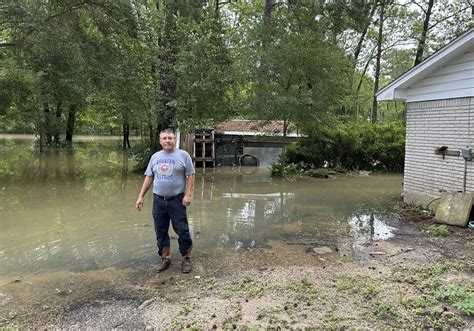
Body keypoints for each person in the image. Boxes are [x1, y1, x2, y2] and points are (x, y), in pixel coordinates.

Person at [135, 129, 195, 273]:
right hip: (158, 201)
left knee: (182, 230)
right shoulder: (155, 157)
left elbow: (191, 175)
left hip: (177, 201)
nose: (167, 140)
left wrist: (188, 195)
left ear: (174, 140)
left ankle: (186, 259)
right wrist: (140, 196)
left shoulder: (183, 155)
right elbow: (149, 177)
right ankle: (165, 258)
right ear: (160, 141)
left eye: (170, 138)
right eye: (164, 138)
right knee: (160, 231)